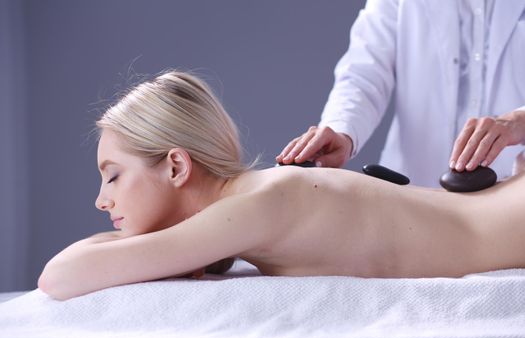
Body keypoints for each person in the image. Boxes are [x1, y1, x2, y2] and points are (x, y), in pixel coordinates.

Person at [38, 70, 525, 301]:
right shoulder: (256, 200)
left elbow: (59, 277)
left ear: (176, 166)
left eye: (113, 176)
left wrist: (513, 122)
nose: (101, 201)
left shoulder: (253, 207)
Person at [276, 0, 525, 187]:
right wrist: (342, 130)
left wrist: (519, 120)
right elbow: (364, 72)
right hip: (411, 190)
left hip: (510, 192)